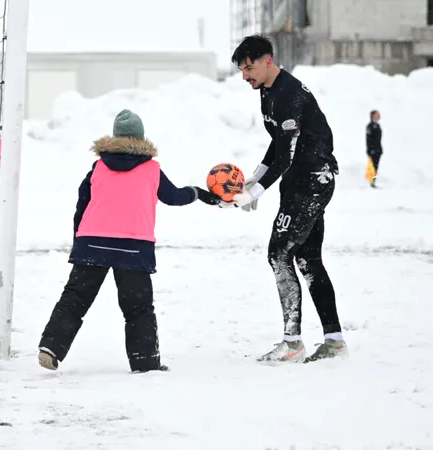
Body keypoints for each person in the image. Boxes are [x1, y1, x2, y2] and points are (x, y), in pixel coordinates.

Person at [37, 109, 222, 373]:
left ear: (115, 137)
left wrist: (79, 239)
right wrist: (197, 193)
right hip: (133, 248)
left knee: (75, 298)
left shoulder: (98, 167)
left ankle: (51, 347)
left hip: (93, 244)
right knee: (138, 307)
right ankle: (145, 361)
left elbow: (82, 203)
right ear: (141, 137)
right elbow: (173, 197)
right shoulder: (151, 169)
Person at [227, 35, 347, 363]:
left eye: (249, 68)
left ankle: (292, 342)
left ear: (268, 60)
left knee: (279, 255)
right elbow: (277, 143)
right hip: (302, 181)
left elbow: (287, 153)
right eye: (241, 70)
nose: (244, 76)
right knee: (307, 259)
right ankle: (334, 342)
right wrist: (255, 176)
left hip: (311, 180)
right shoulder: (267, 91)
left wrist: (255, 192)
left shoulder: (289, 94)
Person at [366, 110, 383, 188]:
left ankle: (373, 181)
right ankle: (371, 182)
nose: (379, 116)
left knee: (376, 167)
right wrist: (370, 150)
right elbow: (368, 139)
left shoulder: (378, 125)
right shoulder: (370, 126)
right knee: (373, 167)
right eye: (377, 115)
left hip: (378, 150)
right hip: (373, 150)